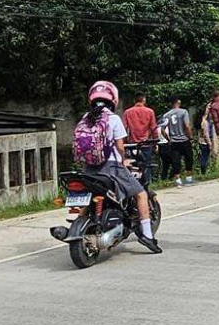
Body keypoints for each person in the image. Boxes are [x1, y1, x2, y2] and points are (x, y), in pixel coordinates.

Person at [76, 81, 161, 252]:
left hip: (88, 169)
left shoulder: (86, 118)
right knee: (141, 194)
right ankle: (147, 237)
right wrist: (123, 161)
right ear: (113, 100)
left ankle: (79, 222)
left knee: (88, 194)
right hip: (110, 168)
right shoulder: (113, 119)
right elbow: (120, 146)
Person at [123, 92, 158, 187]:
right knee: (146, 165)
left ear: (134, 100)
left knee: (133, 165)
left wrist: (125, 142)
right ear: (144, 100)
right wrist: (155, 142)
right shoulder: (150, 112)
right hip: (146, 144)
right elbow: (153, 128)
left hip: (132, 145)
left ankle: (134, 185)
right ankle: (146, 185)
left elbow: (124, 129)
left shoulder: (127, 112)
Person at [159, 96, 194, 185]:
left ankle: (177, 179)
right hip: (184, 139)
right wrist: (190, 136)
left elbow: (162, 129)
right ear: (178, 102)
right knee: (188, 158)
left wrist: (168, 139)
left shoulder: (167, 115)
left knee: (176, 160)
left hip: (174, 140)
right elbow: (186, 125)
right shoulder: (183, 112)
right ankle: (189, 178)